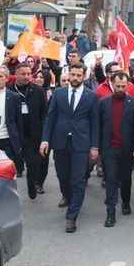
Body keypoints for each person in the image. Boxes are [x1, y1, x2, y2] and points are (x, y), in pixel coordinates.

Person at [40, 63, 99, 233]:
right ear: (69, 74)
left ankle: (72, 216)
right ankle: (67, 195)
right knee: (63, 176)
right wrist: (45, 140)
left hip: (81, 144)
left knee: (78, 180)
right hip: (60, 142)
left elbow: (95, 123)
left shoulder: (91, 97)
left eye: (79, 75)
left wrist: (94, 146)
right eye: (72, 74)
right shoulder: (58, 94)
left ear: (84, 76)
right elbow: (50, 118)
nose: (75, 78)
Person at [98, 72, 134, 227]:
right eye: (118, 86)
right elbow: (99, 126)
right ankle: (110, 212)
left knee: (125, 179)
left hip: (127, 149)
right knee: (110, 179)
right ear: (112, 84)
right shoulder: (103, 103)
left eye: (123, 86)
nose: (120, 89)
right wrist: (96, 148)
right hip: (109, 148)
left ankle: (126, 201)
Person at [11, 62, 49, 198]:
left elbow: (44, 114)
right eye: (23, 74)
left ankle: (32, 184)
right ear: (16, 74)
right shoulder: (10, 90)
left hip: (34, 134)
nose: (27, 77)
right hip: (16, 133)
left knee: (34, 163)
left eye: (28, 74)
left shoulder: (38, 91)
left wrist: (45, 134)